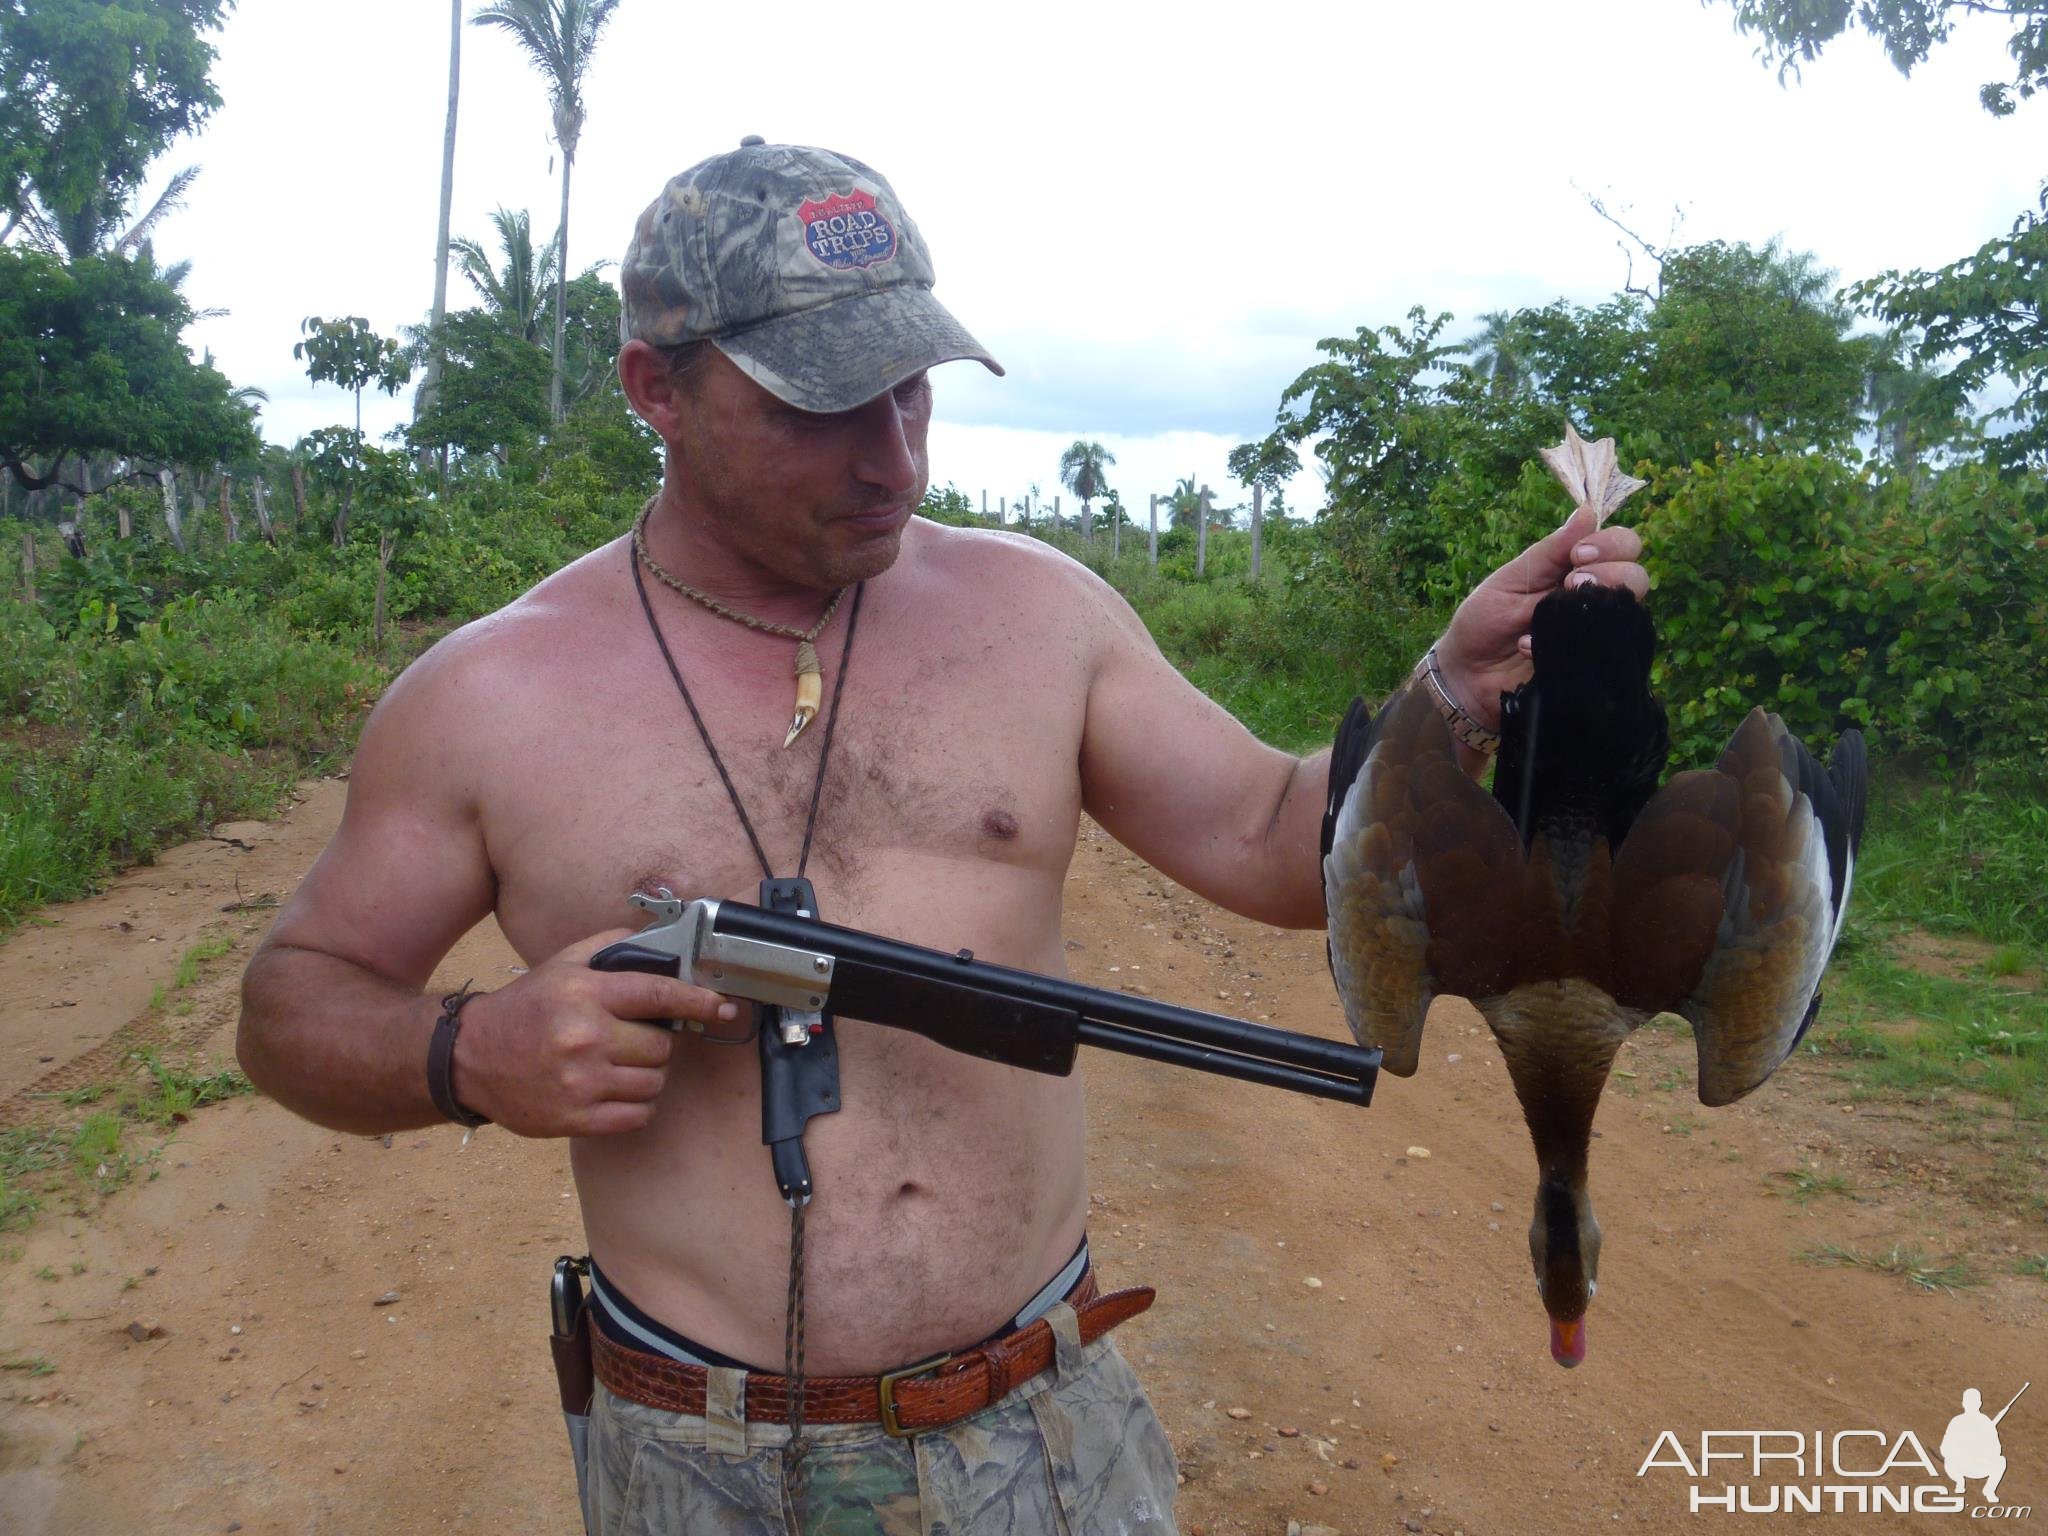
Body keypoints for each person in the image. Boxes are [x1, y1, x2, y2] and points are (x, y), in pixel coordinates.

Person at [236, 137, 1648, 1536]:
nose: (890, 456)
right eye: (821, 406)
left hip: (1036, 1434)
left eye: (911, 392)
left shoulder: (1039, 615)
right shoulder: (489, 694)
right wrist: (465, 1053)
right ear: (654, 388)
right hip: (693, 1459)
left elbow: (1277, 835)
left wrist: (1451, 695)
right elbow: (295, 1003)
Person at [1940, 1388, 2009, 1504]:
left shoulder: (1957, 1421)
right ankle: (1986, 1489)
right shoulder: (1985, 1422)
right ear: (1979, 1404)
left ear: (1963, 1404)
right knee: (2001, 1461)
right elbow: (1997, 1450)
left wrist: (1978, 1448)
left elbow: (1944, 1449)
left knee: (1949, 1460)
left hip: (1963, 1468)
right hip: (1977, 1467)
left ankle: (1960, 1481)